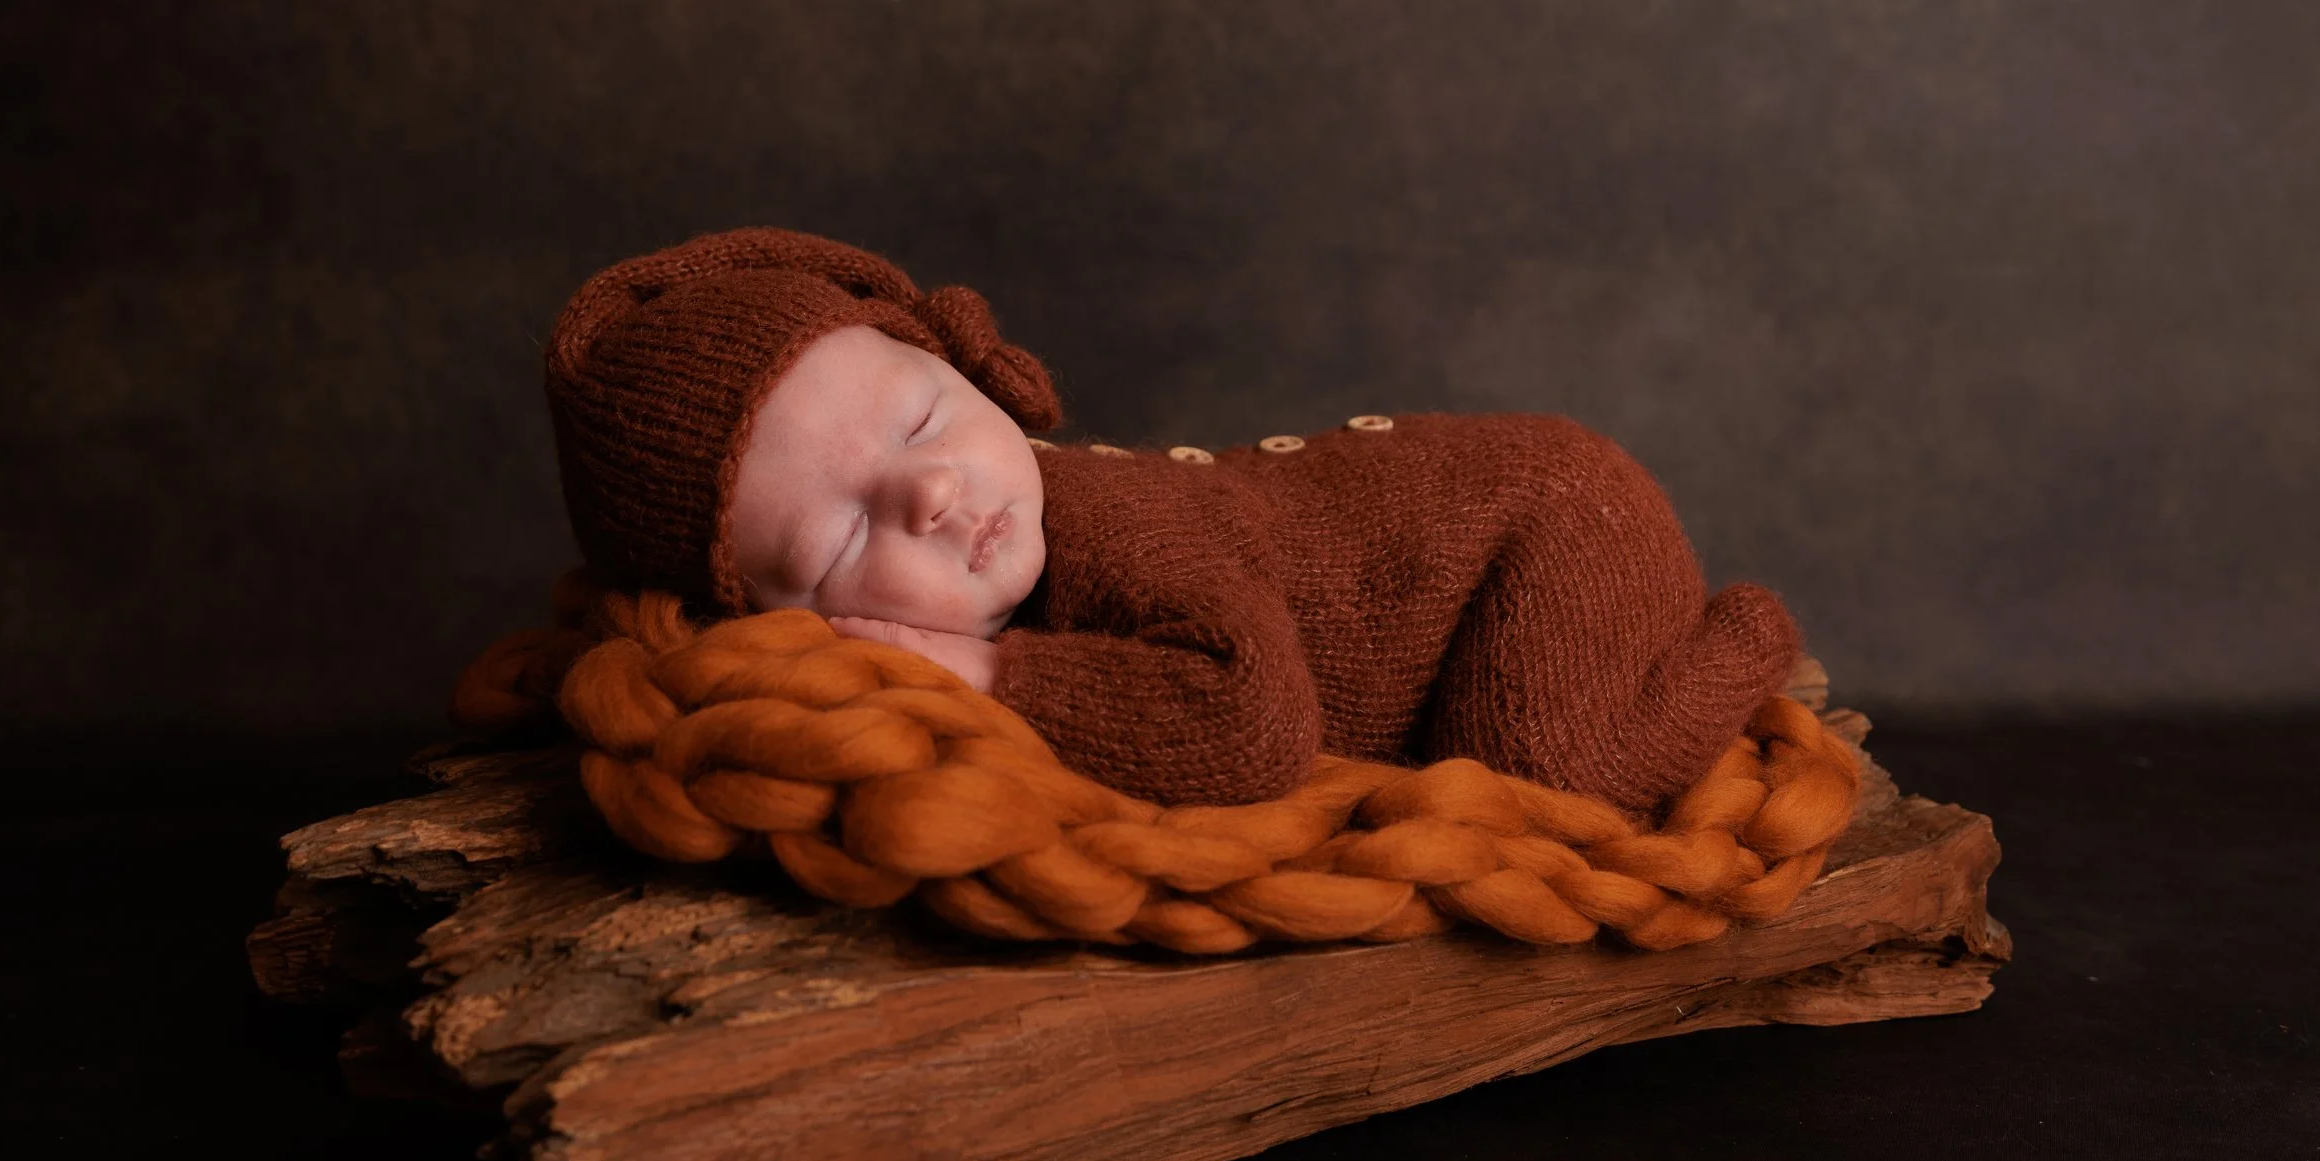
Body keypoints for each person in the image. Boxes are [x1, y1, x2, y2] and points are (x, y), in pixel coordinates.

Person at [545, 228, 1800, 810]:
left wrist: (984, 669)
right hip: (1490, 532)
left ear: (969, 370)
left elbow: (1252, 725)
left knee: (1543, 767)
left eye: (923, 420)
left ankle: (1737, 642)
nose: (930, 494)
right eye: (834, 544)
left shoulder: (1114, 532)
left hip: (1543, 527)